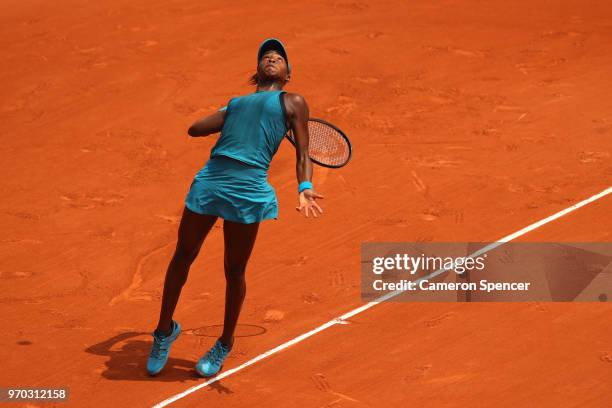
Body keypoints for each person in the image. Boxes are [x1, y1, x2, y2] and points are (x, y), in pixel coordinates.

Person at [146, 38, 323, 377]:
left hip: (249, 188)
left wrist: (305, 188)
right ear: (256, 71)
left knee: (234, 270)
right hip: (212, 180)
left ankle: (225, 342)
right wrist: (232, 111)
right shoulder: (237, 103)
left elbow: (304, 152)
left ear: (288, 74)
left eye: (278, 58)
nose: (272, 58)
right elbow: (194, 129)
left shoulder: (293, 102)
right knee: (183, 254)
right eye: (266, 57)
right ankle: (163, 330)